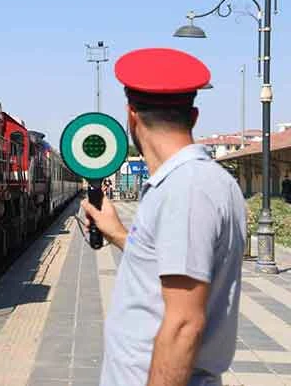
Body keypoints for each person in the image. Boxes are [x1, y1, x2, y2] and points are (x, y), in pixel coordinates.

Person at [81, 48, 245, 386]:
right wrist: (119, 235)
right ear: (194, 116)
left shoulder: (186, 189)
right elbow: (172, 264)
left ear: (131, 115)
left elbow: (184, 325)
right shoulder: (199, 182)